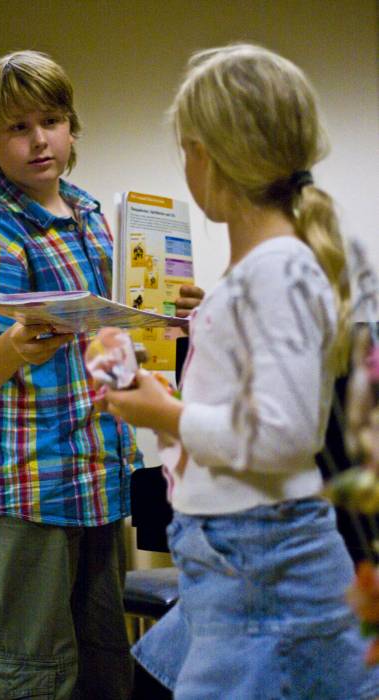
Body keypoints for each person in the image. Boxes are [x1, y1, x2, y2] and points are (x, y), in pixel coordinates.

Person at [98, 44, 379, 698]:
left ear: (213, 156)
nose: (186, 165)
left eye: (187, 150)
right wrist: (164, 405)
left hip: (257, 562)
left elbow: (280, 436)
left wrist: (162, 415)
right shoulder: (255, 273)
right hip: (236, 559)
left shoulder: (275, 271)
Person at [0, 50, 144, 700]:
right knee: (34, 679)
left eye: (50, 122)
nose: (38, 142)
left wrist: (167, 313)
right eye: (17, 128)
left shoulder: (92, 218)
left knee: (107, 669)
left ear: (71, 126)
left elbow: (115, 341)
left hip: (100, 476)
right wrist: (18, 345)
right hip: (27, 490)